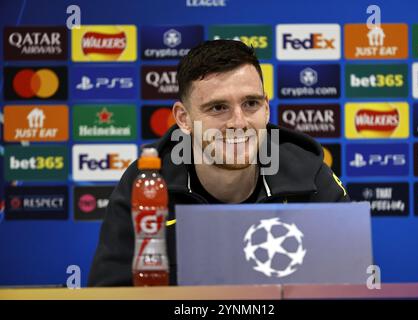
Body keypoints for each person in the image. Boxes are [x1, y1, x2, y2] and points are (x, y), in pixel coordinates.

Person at [88, 40, 349, 286]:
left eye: (251, 103)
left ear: (266, 109)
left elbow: (351, 288)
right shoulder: (147, 184)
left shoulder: (310, 177)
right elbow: (112, 293)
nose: (238, 122)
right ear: (183, 118)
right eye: (217, 108)